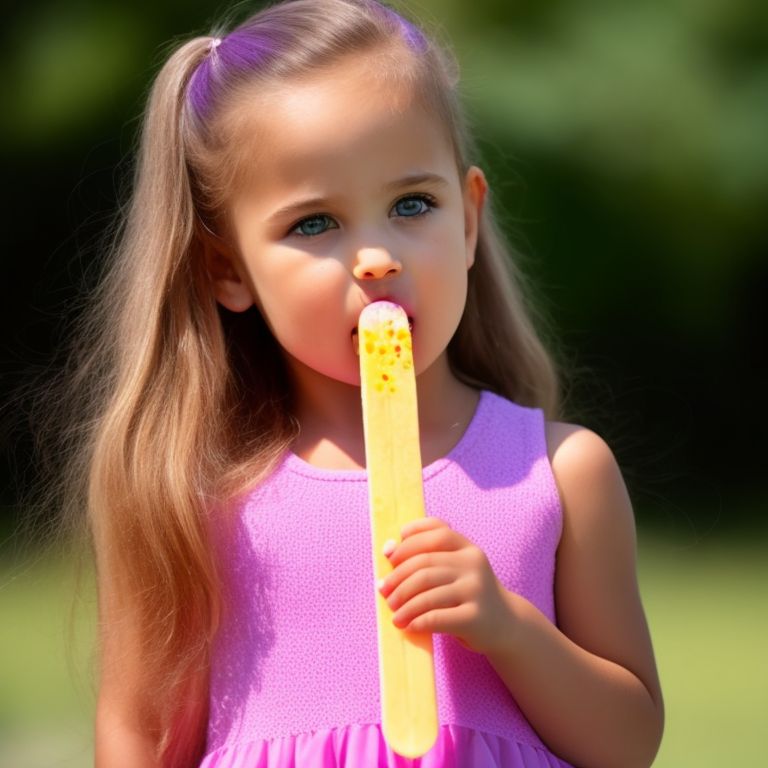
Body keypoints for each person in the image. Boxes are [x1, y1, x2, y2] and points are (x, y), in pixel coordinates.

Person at [70, 0, 664, 765]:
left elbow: (629, 743)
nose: (377, 257)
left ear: (469, 219)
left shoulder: (558, 475)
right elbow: (142, 737)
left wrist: (510, 629)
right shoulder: (192, 493)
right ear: (227, 269)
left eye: (412, 204)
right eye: (314, 224)